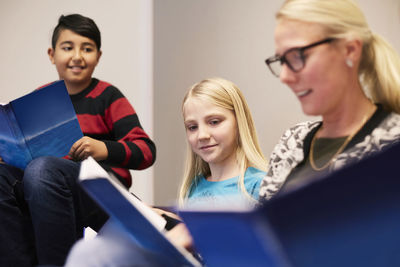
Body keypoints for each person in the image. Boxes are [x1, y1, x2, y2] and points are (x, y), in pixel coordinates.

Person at [0, 14, 156, 267]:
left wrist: (102, 148)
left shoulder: (107, 96)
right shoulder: (41, 97)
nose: (77, 56)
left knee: (43, 170)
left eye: (87, 48)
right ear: (52, 54)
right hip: (46, 186)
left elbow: (146, 151)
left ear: (98, 56)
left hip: (96, 188)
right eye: (67, 47)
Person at [64, 77, 268, 266]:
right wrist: (158, 215)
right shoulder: (195, 187)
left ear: (239, 122)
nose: (202, 135)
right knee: (91, 249)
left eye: (214, 122)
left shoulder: (260, 185)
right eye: (192, 127)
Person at [260, 0, 400, 201]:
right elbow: (261, 226)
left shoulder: (392, 142)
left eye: (297, 55)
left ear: (350, 50)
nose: (284, 76)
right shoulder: (292, 142)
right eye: (281, 60)